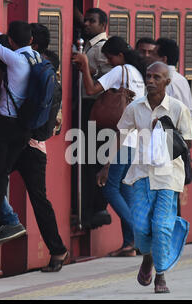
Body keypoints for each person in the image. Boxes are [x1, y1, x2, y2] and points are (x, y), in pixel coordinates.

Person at [97, 62, 192, 293]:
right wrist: (107, 165)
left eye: (156, 77)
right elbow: (121, 135)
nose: (150, 81)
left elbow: (187, 144)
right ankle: (147, 258)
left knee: (160, 226)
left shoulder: (178, 109)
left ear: (166, 82)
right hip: (140, 175)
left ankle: (160, 275)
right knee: (140, 228)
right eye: (148, 76)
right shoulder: (135, 107)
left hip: (168, 177)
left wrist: (164, 131)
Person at [72, 36, 146, 256]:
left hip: (119, 139)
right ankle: (129, 244)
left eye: (110, 57)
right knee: (126, 190)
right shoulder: (137, 74)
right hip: (133, 140)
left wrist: (85, 65)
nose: (109, 61)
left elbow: (91, 88)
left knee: (110, 187)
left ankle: (139, 233)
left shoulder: (120, 70)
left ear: (120, 56)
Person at [0, 19, 41, 246]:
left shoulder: (16, 59)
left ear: (11, 40)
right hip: (24, 128)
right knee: (2, 175)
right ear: (31, 40)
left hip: (6, 126)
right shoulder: (37, 58)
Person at [73, 7, 113, 229]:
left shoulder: (101, 49)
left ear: (103, 25)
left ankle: (95, 209)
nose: (87, 24)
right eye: (85, 20)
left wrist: (88, 70)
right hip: (85, 106)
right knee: (86, 160)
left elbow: (108, 81)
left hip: (94, 107)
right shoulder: (89, 45)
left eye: (92, 21)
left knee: (91, 161)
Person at [149, 38, 192, 121]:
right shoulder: (182, 80)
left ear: (164, 59)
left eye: (154, 54)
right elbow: (191, 112)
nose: (150, 57)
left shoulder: (160, 81)